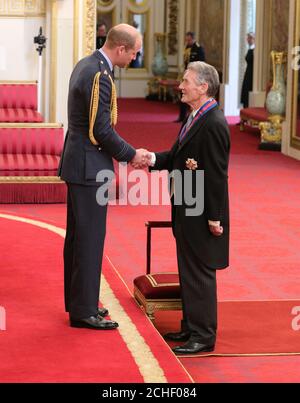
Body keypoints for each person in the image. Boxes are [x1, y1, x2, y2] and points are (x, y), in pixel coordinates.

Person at [58, 24, 151, 330]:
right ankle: (84, 310)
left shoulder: (87, 64)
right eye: (134, 52)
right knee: (89, 239)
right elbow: (101, 130)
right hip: (89, 167)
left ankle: (80, 303)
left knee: (78, 237)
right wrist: (131, 154)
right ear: (121, 48)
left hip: (80, 163)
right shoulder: (100, 74)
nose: (135, 57)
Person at [150, 62, 230, 354]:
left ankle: (204, 336)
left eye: (185, 81)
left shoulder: (214, 123)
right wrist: (149, 160)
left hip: (203, 213)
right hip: (186, 205)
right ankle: (190, 325)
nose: (180, 86)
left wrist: (214, 218)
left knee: (200, 273)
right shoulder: (196, 117)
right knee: (188, 270)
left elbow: (218, 175)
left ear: (203, 87)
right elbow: (175, 156)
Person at [175, 32, 205, 122]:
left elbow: (201, 64)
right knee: (183, 95)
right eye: (186, 40)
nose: (187, 41)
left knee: (193, 98)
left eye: (188, 40)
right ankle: (182, 117)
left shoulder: (198, 48)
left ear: (193, 39)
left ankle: (194, 118)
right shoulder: (187, 47)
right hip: (186, 75)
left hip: (195, 78)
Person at [241, 32, 255, 108]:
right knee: (245, 92)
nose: (248, 40)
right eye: (248, 38)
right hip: (248, 72)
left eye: (250, 38)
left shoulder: (255, 50)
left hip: (252, 74)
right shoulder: (250, 49)